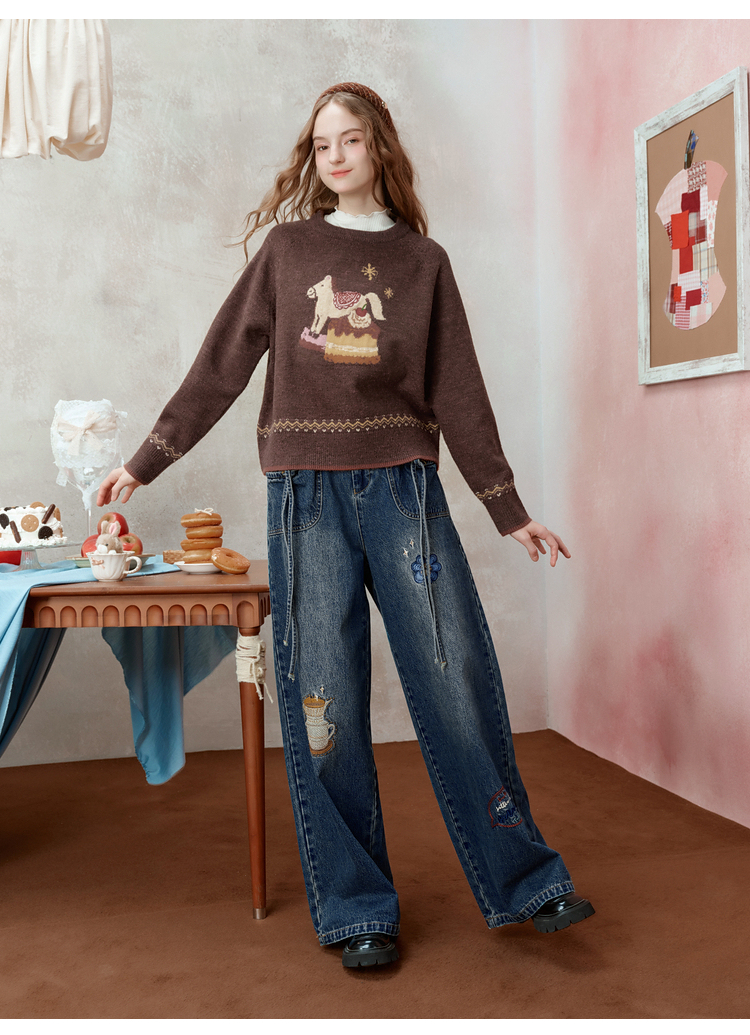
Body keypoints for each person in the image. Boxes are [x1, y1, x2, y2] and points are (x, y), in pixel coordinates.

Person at [98, 82, 594, 969]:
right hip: (305, 501)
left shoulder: (424, 262)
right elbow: (222, 362)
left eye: (351, 140)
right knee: (322, 700)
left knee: (456, 678)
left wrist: (507, 509)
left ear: (379, 149)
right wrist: (146, 460)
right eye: (321, 143)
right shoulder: (288, 251)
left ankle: (527, 878)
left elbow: (460, 390)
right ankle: (358, 905)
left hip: (405, 491)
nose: (334, 156)